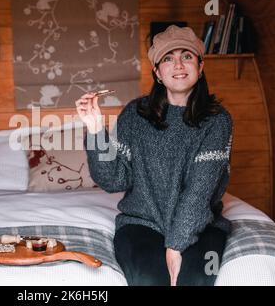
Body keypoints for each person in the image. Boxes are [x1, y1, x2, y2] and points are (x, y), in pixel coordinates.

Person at [75, 25, 233, 286]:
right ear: (158, 72)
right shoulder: (135, 115)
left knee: (195, 279)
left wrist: (174, 246)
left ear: (201, 66)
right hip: (140, 224)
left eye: (187, 56)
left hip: (202, 227)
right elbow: (114, 180)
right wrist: (94, 129)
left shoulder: (217, 121)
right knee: (150, 280)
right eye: (168, 59)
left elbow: (199, 191)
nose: (179, 65)